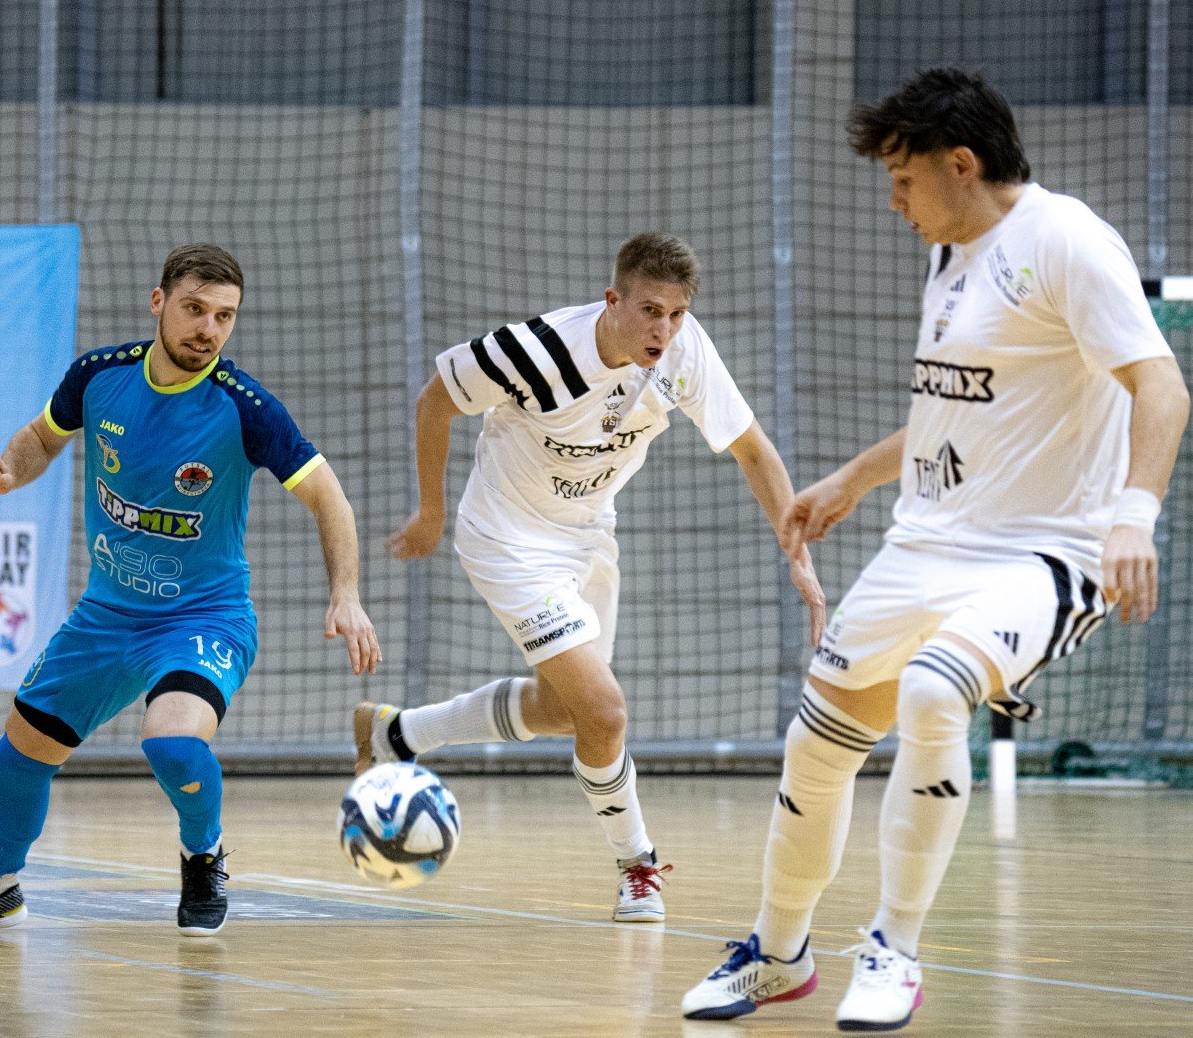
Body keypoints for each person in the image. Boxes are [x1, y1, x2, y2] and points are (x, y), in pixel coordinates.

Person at [682, 68, 1189, 1030]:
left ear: (961, 164)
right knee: (815, 743)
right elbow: (954, 412)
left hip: (1050, 552)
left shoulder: (1068, 241)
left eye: (903, 177)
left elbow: (1162, 386)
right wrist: (854, 478)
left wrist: (1136, 515)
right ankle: (778, 955)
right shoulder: (951, 254)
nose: (894, 200)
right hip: (927, 543)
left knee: (929, 690)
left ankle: (895, 946)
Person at [0, 243, 381, 937]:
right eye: (194, 309)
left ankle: (202, 855)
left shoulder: (244, 407)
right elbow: (41, 437)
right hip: (107, 615)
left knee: (173, 743)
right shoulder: (100, 376)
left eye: (224, 316)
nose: (207, 329)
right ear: (158, 302)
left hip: (202, 617)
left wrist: (347, 594)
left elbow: (330, 498)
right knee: (21, 753)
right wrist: (8, 468)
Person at [356, 231, 825, 922]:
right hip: (508, 537)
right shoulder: (536, 350)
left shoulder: (684, 352)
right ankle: (638, 866)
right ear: (613, 300)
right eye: (650, 311)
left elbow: (754, 452)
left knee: (566, 713)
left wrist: (799, 558)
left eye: (677, 314)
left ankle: (397, 735)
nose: (664, 329)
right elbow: (435, 402)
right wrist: (430, 513)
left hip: (589, 537)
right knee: (605, 711)